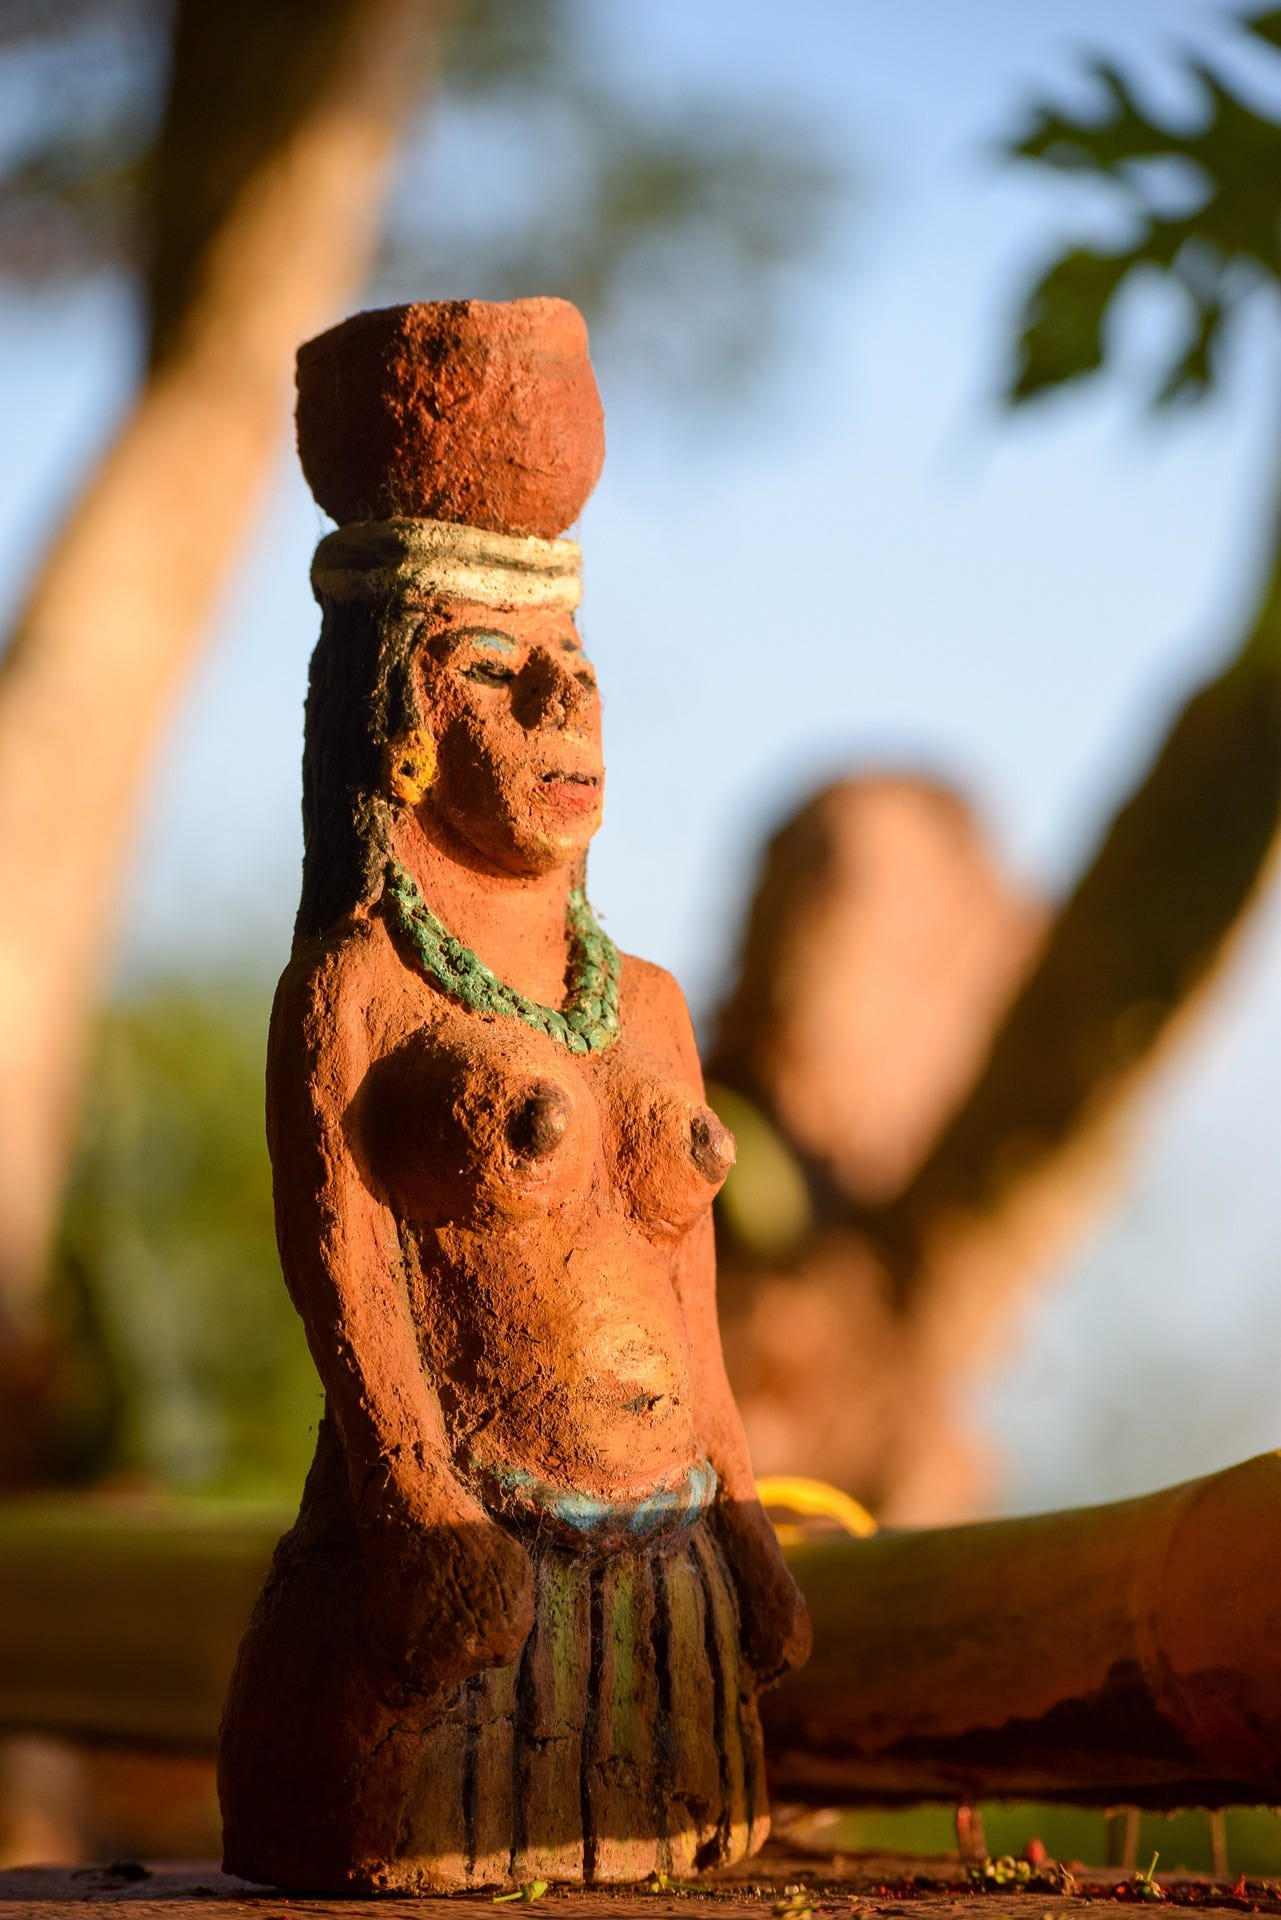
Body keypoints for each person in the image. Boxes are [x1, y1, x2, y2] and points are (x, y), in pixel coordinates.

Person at [217, 299, 810, 1895]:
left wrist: (744, 1523)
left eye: (579, 670)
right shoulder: (362, 991)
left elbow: (689, 1291)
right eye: (496, 672)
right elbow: (343, 1276)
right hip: (463, 1584)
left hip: (668, 1584)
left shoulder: (654, 1010)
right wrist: (414, 1509)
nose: (565, 715)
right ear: (401, 724)